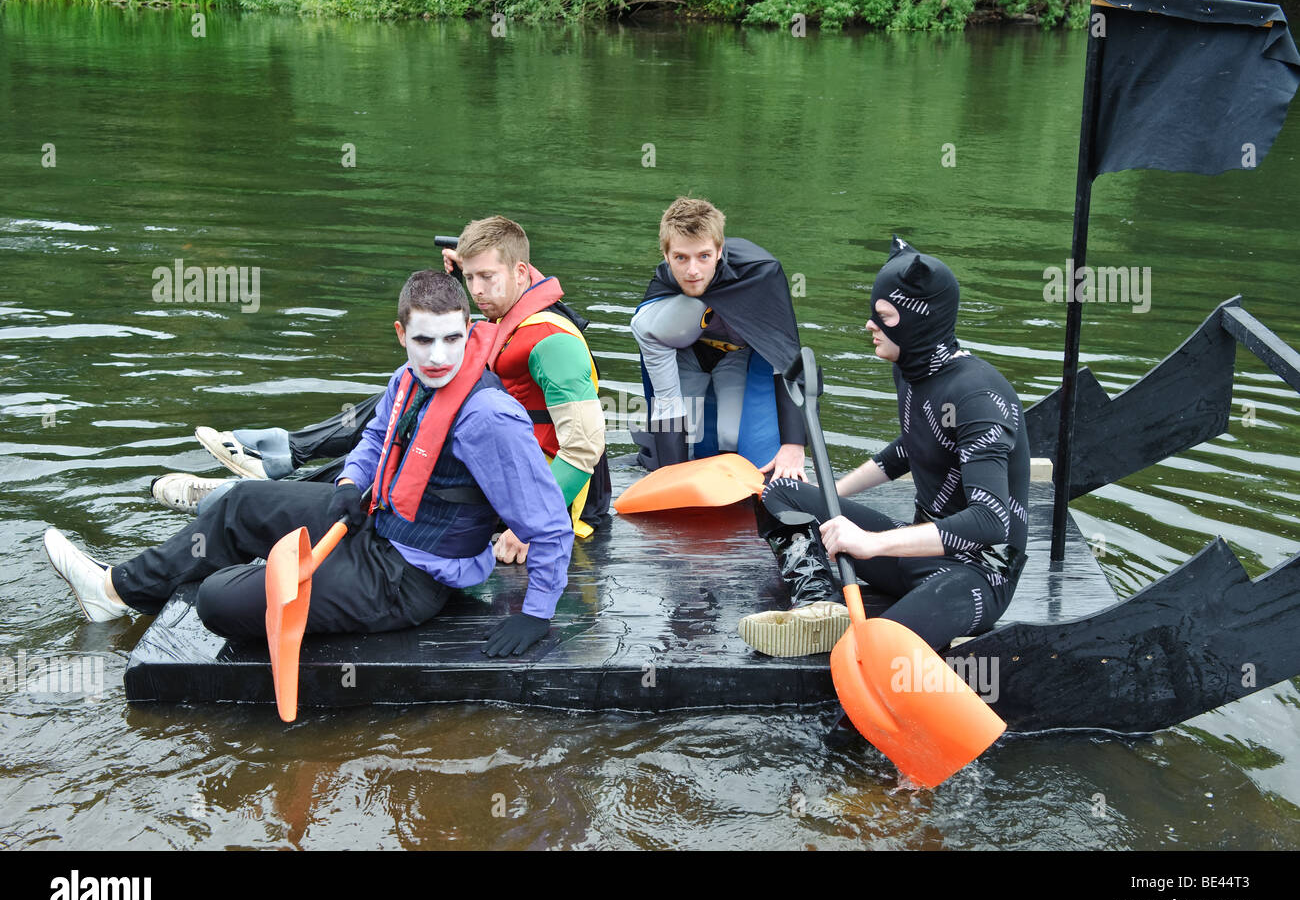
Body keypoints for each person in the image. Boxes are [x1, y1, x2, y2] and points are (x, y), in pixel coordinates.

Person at [44, 270, 574, 658]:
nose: (439, 356)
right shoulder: (408, 378)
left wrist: (536, 614)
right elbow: (374, 438)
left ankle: (259, 582)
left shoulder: (489, 419)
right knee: (240, 505)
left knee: (216, 600)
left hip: (409, 577)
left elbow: (549, 525)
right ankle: (113, 592)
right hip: (373, 523)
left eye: (453, 339)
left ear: (468, 329)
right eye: (423, 340)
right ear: (400, 334)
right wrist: (349, 482)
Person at [155, 216, 610, 565]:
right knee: (406, 412)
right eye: (469, 279)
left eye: (486, 277)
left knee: (402, 477)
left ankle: (239, 500)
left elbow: (585, 447)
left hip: (542, 495)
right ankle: (256, 490)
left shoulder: (554, 343)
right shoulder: (507, 315)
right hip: (495, 468)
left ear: (521, 273)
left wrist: (530, 525)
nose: (476, 290)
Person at [738, 236, 1030, 659]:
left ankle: (863, 642)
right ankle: (818, 602)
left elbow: (990, 521)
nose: (870, 325)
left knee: (878, 648)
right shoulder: (910, 367)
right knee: (779, 490)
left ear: (917, 322)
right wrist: (833, 497)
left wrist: (869, 543)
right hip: (915, 553)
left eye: (884, 316)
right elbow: (911, 447)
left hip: (976, 575)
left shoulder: (978, 396)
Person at [630, 196, 807, 480]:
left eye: (703, 256)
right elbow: (667, 399)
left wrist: (794, 444)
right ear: (666, 256)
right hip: (687, 356)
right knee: (679, 448)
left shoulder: (761, 273)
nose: (692, 271)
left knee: (737, 443)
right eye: (680, 258)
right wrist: (668, 479)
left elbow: (787, 358)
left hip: (740, 357)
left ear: (719, 251)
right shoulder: (659, 296)